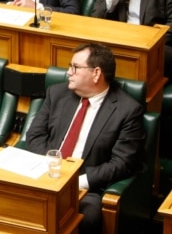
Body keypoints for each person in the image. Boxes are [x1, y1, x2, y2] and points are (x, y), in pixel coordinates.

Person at [26, 43, 145, 234]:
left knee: (83, 217)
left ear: (96, 73)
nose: (68, 72)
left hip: (86, 186)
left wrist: (78, 181)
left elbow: (123, 163)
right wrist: (50, 166)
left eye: (75, 67)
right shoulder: (57, 93)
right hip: (44, 174)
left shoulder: (127, 110)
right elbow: (34, 135)